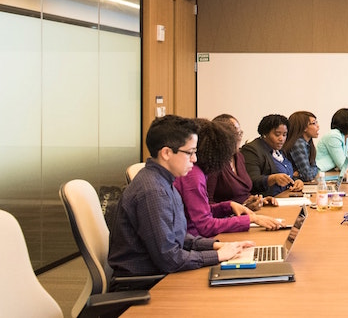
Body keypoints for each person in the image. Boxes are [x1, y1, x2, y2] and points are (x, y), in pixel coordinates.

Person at [108, 115, 254, 276]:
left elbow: (178, 237)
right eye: (190, 153)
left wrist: (216, 246)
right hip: (147, 282)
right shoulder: (153, 191)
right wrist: (218, 255)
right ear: (166, 153)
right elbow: (170, 258)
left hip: (161, 273)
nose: (195, 159)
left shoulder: (164, 181)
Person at [174, 119, 281, 237]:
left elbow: (202, 210)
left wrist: (228, 206)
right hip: (196, 240)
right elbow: (205, 225)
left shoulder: (198, 172)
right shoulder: (193, 176)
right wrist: (250, 219)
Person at [206, 114, 276, 211]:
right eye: (235, 134)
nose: (239, 138)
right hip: (227, 220)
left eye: (240, 133)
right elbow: (206, 204)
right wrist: (238, 209)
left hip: (246, 215)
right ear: (221, 136)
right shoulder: (213, 162)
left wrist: (257, 200)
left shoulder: (238, 156)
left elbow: (243, 194)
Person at [242, 114, 305, 196]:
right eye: (277, 134)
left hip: (285, 196)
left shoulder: (280, 150)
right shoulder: (252, 150)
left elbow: (287, 173)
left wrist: (296, 181)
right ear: (265, 134)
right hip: (266, 200)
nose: (281, 139)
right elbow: (251, 181)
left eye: (284, 135)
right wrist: (272, 179)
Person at [283, 111, 320, 182]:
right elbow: (307, 176)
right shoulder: (298, 144)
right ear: (304, 128)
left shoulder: (307, 143)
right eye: (314, 123)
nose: (318, 126)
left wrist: (299, 174)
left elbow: (314, 167)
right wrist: (304, 173)